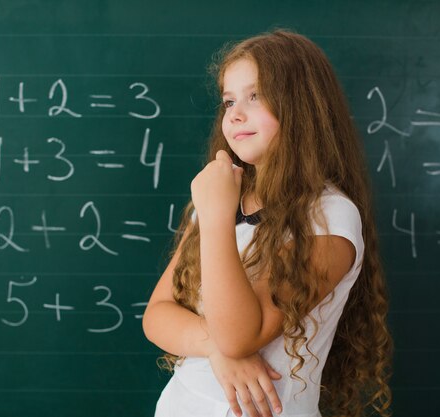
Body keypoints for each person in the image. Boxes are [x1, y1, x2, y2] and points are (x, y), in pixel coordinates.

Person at [142, 29, 393, 417]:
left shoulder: (329, 216)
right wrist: (215, 348)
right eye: (228, 101)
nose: (235, 114)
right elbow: (157, 314)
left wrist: (213, 218)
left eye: (255, 96)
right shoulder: (222, 202)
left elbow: (240, 336)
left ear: (302, 106)